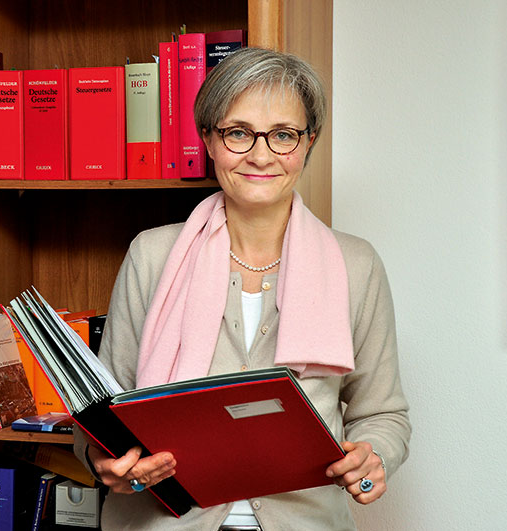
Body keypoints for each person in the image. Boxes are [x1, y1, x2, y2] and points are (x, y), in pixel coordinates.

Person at [74, 47, 411, 531]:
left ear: (308, 142)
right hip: (163, 520)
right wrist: (109, 464)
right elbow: (102, 414)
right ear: (208, 140)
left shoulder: (356, 264)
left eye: (283, 135)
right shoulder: (152, 255)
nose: (260, 155)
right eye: (237, 133)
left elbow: (383, 413)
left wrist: (373, 456)